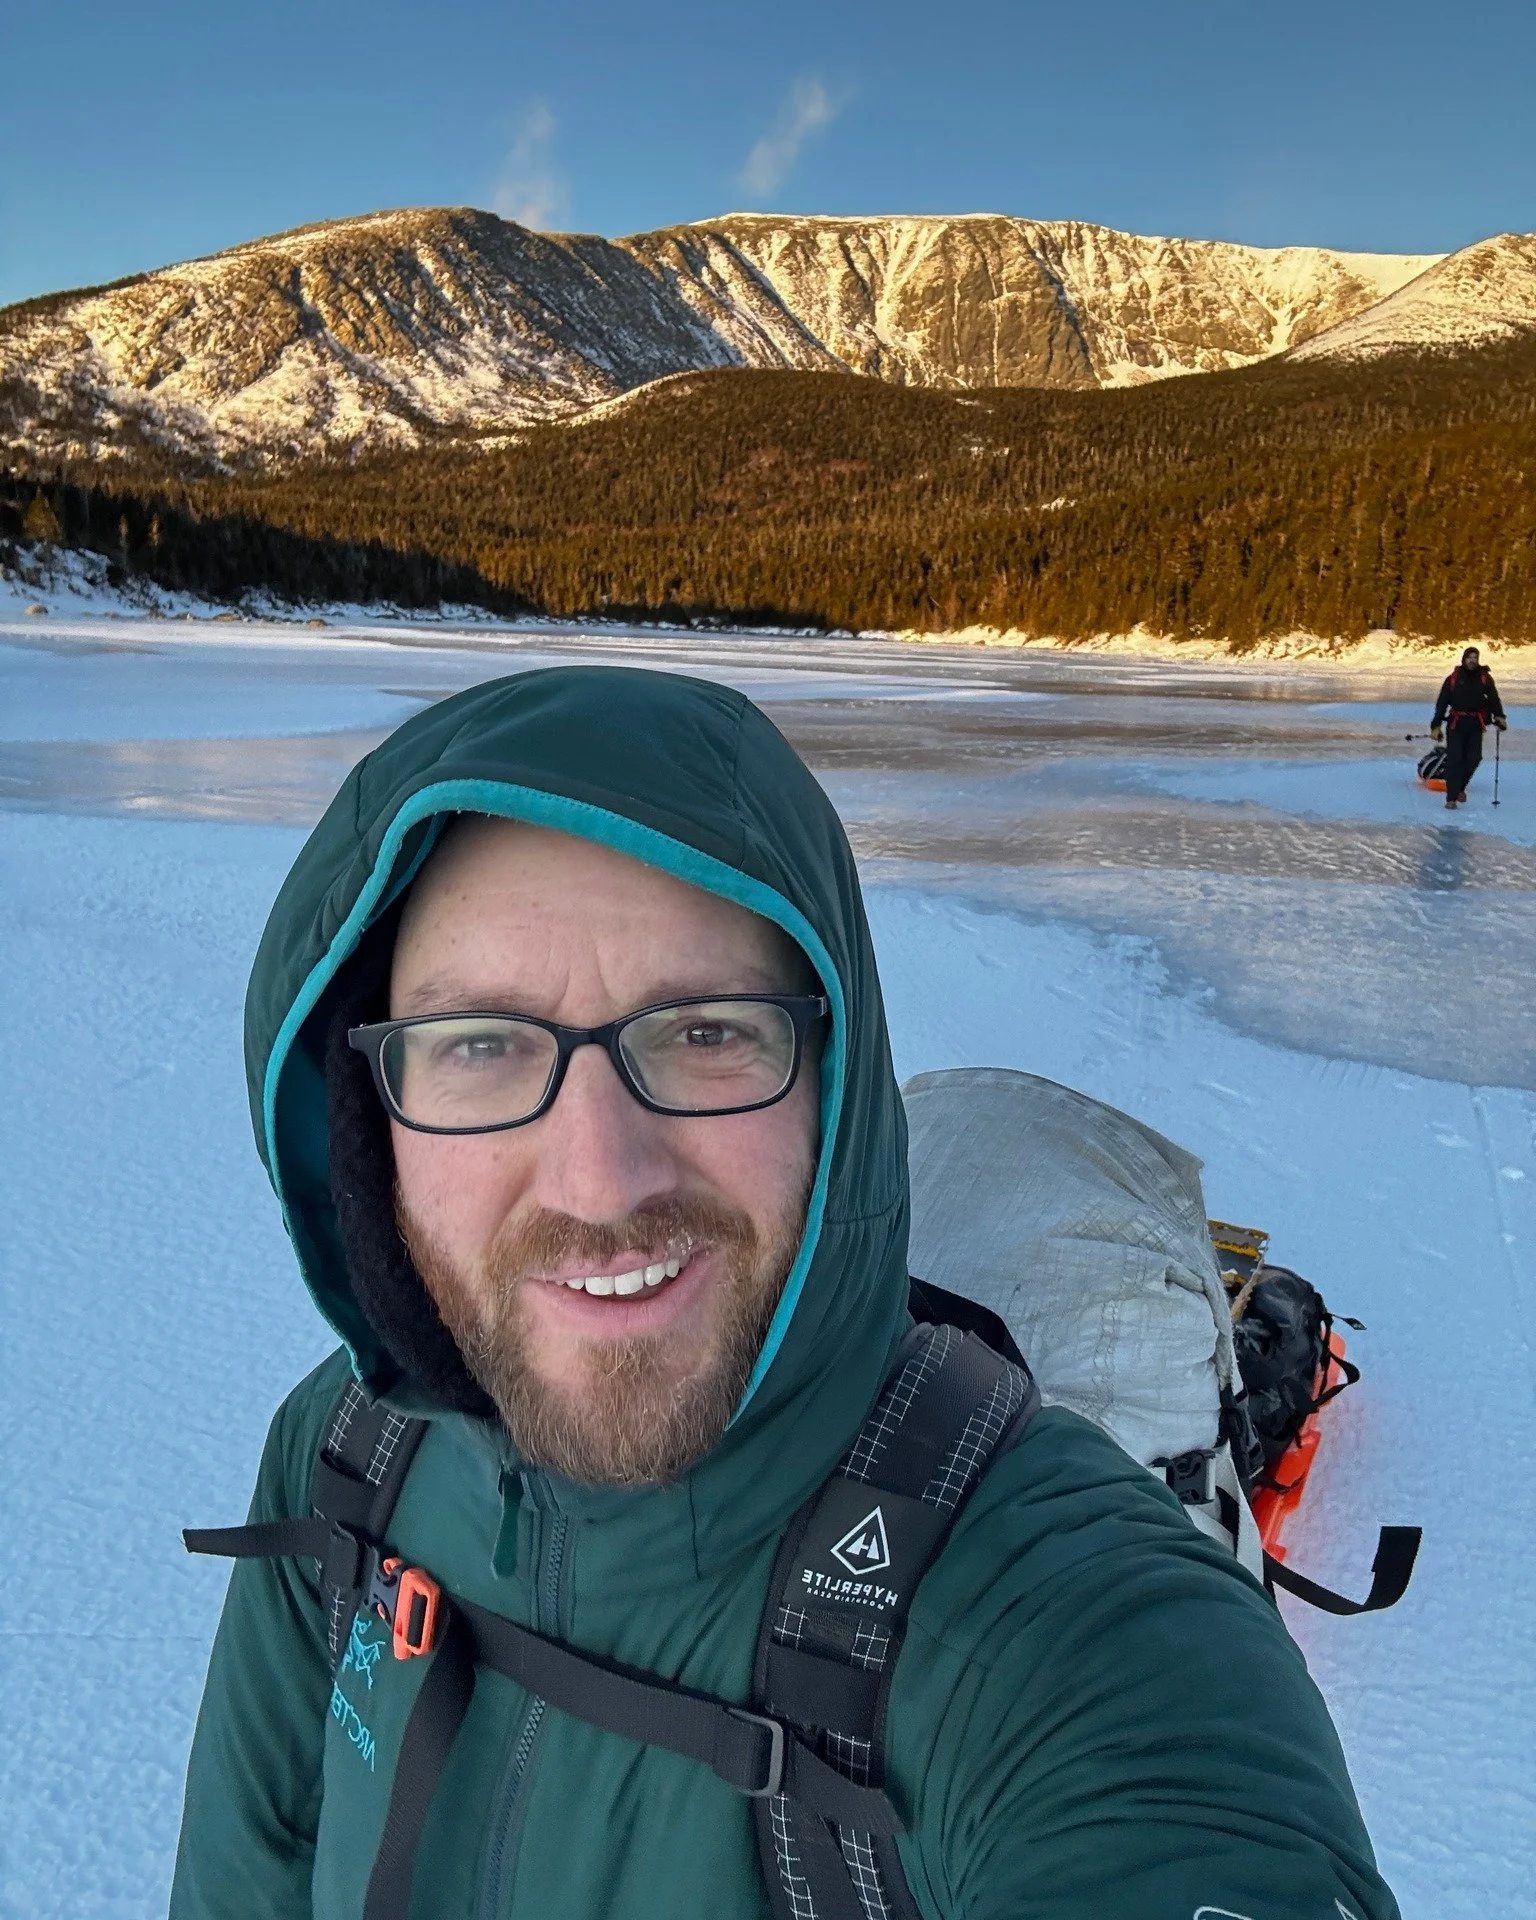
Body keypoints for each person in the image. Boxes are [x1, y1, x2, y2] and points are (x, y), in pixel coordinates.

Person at [171, 666, 1400, 1919]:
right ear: (366, 1126)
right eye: (479, 1046)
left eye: (706, 1032)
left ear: (835, 1086)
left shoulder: (1068, 1634)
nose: (599, 1181)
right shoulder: (346, 1462)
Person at [1432, 645, 1507, 807]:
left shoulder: (1485, 678)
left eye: (1475, 658)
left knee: (1474, 758)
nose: (1472, 661)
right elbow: (1442, 703)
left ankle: (1460, 787)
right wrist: (1436, 726)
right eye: (1469, 658)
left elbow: (1494, 699)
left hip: (1475, 725)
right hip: (1456, 724)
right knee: (1455, 760)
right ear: (1464, 659)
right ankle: (1451, 798)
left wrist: (1499, 716)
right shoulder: (1453, 679)